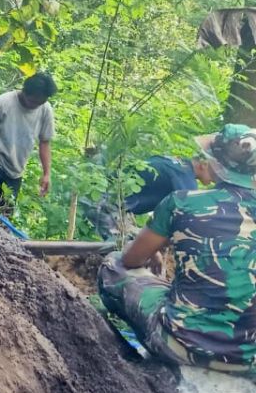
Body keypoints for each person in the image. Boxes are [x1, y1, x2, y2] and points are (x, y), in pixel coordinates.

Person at [97, 125, 256, 377]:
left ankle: (128, 352)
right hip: (247, 359)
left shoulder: (182, 202)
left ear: (214, 162)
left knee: (113, 265)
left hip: (180, 345)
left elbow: (130, 259)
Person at [0, 72, 57, 211]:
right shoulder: (4, 102)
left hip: (16, 169)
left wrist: (47, 173)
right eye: (33, 101)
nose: (35, 105)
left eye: (40, 102)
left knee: (6, 211)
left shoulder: (45, 110)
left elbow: (45, 143)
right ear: (24, 92)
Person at [89, 154, 213, 238]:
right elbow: (191, 219)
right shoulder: (184, 177)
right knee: (119, 255)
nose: (217, 176)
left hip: (103, 199)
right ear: (204, 164)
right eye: (216, 169)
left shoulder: (173, 162)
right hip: (107, 207)